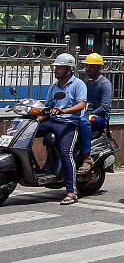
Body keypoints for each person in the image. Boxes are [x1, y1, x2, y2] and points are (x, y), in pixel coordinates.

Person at [36, 53, 87, 205]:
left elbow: (81, 105)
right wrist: (36, 118)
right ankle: (34, 167)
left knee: (66, 153)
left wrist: (64, 111)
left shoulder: (78, 84)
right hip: (52, 121)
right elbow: (48, 107)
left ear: (69, 69)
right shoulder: (54, 87)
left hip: (69, 123)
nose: (56, 70)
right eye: (56, 67)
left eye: (59, 67)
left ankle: (72, 192)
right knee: (27, 134)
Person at [77, 53, 112, 176]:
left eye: (91, 67)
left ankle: (87, 157)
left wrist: (89, 114)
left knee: (84, 121)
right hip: (86, 113)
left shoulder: (105, 84)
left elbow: (104, 107)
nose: (87, 69)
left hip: (99, 118)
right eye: (87, 66)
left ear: (98, 68)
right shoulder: (86, 82)